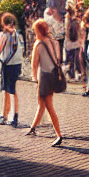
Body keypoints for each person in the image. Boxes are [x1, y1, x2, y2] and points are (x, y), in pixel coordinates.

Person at [25, 17, 64, 146]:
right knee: (42, 102)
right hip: (53, 75)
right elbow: (58, 58)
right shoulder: (54, 41)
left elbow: (34, 64)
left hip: (45, 76)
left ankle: (58, 134)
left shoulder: (38, 44)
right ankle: (33, 127)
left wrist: (35, 78)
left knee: (48, 105)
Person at [0, 11, 25, 125]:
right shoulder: (18, 35)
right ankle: (12, 113)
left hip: (7, 65)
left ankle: (6, 115)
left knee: (7, 91)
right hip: (17, 64)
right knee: (12, 90)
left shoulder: (2, 35)